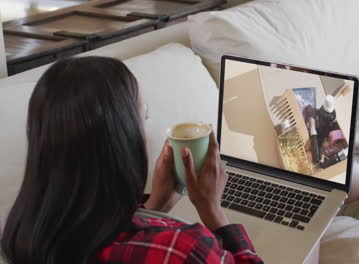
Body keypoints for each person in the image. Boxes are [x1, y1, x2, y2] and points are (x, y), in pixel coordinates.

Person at [0, 57, 263, 264]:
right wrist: (212, 210)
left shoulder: (23, 234)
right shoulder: (184, 249)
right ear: (122, 139)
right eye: (143, 118)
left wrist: (155, 206)